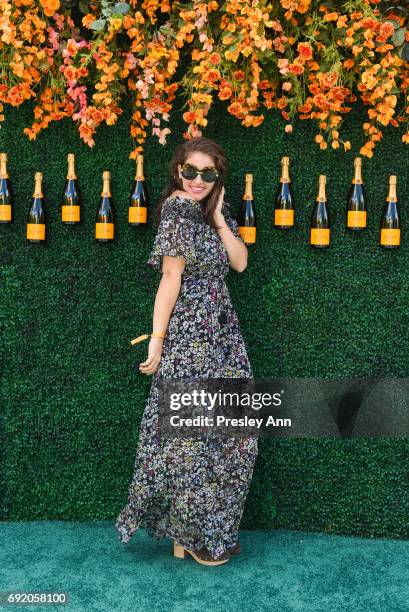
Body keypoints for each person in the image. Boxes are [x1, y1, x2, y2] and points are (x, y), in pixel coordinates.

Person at [115, 137, 259, 566]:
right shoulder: (176, 211)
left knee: (235, 435)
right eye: (191, 171)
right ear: (178, 171)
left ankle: (210, 530)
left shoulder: (211, 210)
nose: (198, 180)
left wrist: (216, 216)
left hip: (223, 333)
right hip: (191, 336)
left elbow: (240, 262)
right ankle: (196, 536)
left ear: (218, 176)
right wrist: (158, 339)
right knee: (192, 439)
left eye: (208, 173)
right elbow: (170, 279)